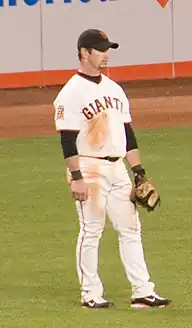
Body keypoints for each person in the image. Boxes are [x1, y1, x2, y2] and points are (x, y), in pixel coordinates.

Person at [53, 29, 171, 309]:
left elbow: (127, 133)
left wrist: (138, 171)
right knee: (91, 230)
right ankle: (90, 294)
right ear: (84, 52)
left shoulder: (113, 88)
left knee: (131, 229)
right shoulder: (71, 93)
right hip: (89, 168)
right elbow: (67, 140)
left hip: (118, 168)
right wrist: (77, 178)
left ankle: (142, 291)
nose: (106, 54)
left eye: (108, 49)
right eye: (100, 49)